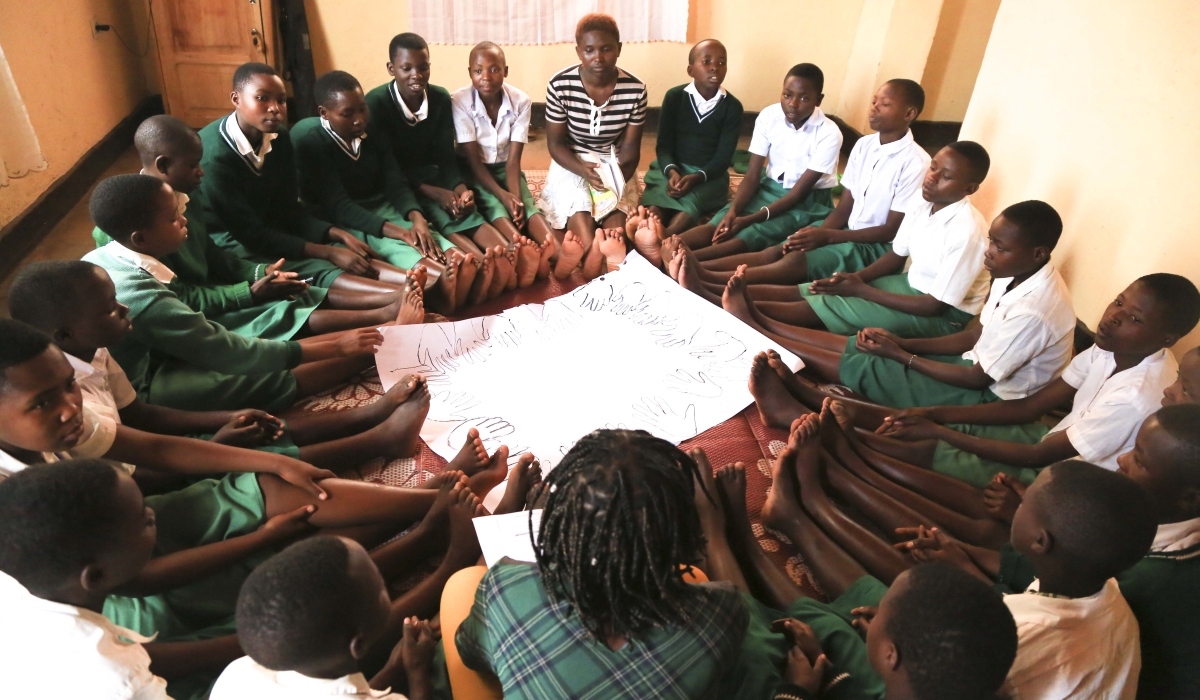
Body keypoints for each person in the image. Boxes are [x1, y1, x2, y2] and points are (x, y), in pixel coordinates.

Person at [8, 260, 464, 472]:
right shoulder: (68, 408)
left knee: (252, 416)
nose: (123, 312)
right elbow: (148, 455)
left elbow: (141, 424)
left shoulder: (91, 357)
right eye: (111, 310)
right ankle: (373, 434)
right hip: (142, 473)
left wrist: (222, 422)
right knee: (257, 465)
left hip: (145, 448)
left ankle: (366, 410)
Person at [81, 174, 412, 412]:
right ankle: (381, 346)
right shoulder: (145, 299)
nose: (184, 220)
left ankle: (381, 325)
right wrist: (340, 346)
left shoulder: (103, 256)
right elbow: (233, 353)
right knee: (254, 374)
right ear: (141, 239)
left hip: (158, 355)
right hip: (141, 392)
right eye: (174, 218)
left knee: (261, 331)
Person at [454, 429, 748, 697]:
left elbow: (468, 650)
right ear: (681, 542)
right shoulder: (723, 613)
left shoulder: (504, 585)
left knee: (461, 584)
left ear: (556, 526)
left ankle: (530, 514)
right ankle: (714, 528)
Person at [736, 200, 1074, 413]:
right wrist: (901, 344)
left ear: (1038, 254)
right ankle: (762, 324)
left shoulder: (1033, 311)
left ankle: (766, 335)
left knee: (874, 368)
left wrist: (902, 356)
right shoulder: (1013, 272)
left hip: (995, 397)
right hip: (976, 361)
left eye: (1000, 247)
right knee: (869, 344)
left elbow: (976, 379)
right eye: (991, 242)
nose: (988, 251)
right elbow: (975, 337)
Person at [866, 273, 1198, 485]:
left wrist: (937, 429)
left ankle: (850, 454)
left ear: (1167, 339)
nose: (1113, 317)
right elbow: (1031, 408)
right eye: (1118, 301)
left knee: (932, 452)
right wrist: (936, 414)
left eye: (1134, 318)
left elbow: (1039, 458)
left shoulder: (1136, 397)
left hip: (1071, 479)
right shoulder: (1109, 349)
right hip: (1051, 441)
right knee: (932, 427)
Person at [901, 460, 1155, 699]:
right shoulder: (1108, 592)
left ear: (1040, 541)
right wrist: (963, 561)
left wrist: (899, 649)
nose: (1018, 505)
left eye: (1023, 504)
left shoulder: (1020, 636)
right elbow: (1021, 605)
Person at [698, 142, 991, 341]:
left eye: (945, 176)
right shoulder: (922, 200)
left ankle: (730, 307)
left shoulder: (968, 233)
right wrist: (853, 279)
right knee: (814, 289)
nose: (932, 178)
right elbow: (895, 256)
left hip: (944, 316)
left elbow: (933, 307)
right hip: (912, 286)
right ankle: (713, 290)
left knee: (830, 304)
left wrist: (862, 290)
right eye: (934, 167)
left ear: (969, 188)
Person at [684, 79, 929, 288]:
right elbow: (844, 208)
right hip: (843, 230)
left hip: (875, 246)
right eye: (874, 101)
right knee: (782, 249)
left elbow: (891, 230)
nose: (874, 109)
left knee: (793, 262)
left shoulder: (916, 163)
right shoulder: (864, 145)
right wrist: (821, 233)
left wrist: (828, 237)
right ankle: (693, 263)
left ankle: (705, 277)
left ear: (909, 114)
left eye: (884, 105)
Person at [199, 63, 411, 292]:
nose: (275, 108)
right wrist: (328, 252)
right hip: (230, 241)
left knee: (345, 248)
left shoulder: (279, 136)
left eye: (281, 100)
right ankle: (401, 296)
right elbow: (250, 234)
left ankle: (417, 284)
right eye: (262, 98)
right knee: (317, 265)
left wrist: (339, 235)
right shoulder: (215, 157)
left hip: (270, 228)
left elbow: (289, 210)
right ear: (236, 99)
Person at [293, 71, 472, 312]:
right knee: (391, 245)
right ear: (324, 113)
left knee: (425, 237)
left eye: (362, 109)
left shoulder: (371, 128)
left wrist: (416, 218)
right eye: (347, 114)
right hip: (342, 216)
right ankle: (439, 285)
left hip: (378, 202)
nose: (359, 119)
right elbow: (339, 205)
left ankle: (457, 271)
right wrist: (400, 233)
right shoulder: (311, 140)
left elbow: (394, 181)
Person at [364, 33, 508, 263]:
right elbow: (388, 170)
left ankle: (505, 255)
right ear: (391, 68)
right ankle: (478, 263)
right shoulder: (376, 104)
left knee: (463, 208)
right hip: (394, 184)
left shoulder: (440, 98)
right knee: (433, 212)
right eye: (406, 68)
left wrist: (460, 190)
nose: (416, 75)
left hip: (432, 175)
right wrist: (433, 191)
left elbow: (446, 158)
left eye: (423, 67)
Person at [675, 63, 841, 262]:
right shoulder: (769, 116)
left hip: (808, 201)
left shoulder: (829, 134)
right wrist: (734, 212)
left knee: (754, 232)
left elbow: (798, 193)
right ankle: (665, 246)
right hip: (770, 187)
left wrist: (747, 220)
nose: (793, 104)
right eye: (787, 95)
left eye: (804, 98)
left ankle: (685, 260)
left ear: (818, 100)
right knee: (722, 221)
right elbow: (753, 174)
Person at [536, 14, 648, 280]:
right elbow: (555, 144)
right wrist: (582, 170)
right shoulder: (560, 85)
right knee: (581, 211)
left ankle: (602, 252)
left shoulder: (635, 89)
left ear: (619, 49)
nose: (598, 57)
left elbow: (631, 149)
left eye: (606, 48)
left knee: (616, 224)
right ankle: (591, 254)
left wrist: (616, 178)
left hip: (614, 162)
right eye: (589, 50)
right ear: (578, 52)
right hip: (572, 159)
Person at [451, 41, 558, 294]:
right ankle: (522, 250)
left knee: (527, 207)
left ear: (506, 70)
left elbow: (513, 160)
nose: (486, 77)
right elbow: (474, 162)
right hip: (474, 171)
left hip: (505, 168)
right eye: (478, 71)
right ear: (470, 73)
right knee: (495, 205)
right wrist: (504, 197)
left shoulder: (521, 101)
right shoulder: (459, 100)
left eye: (494, 69)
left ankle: (556, 252)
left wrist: (517, 200)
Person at [638, 39, 743, 238]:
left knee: (691, 200)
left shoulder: (732, 107)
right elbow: (663, 146)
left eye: (721, 63)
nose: (715, 68)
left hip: (708, 175)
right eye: (706, 62)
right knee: (660, 193)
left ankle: (665, 237)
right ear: (690, 69)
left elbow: (723, 159)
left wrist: (697, 177)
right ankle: (650, 230)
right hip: (672, 168)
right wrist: (671, 171)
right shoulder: (675, 97)